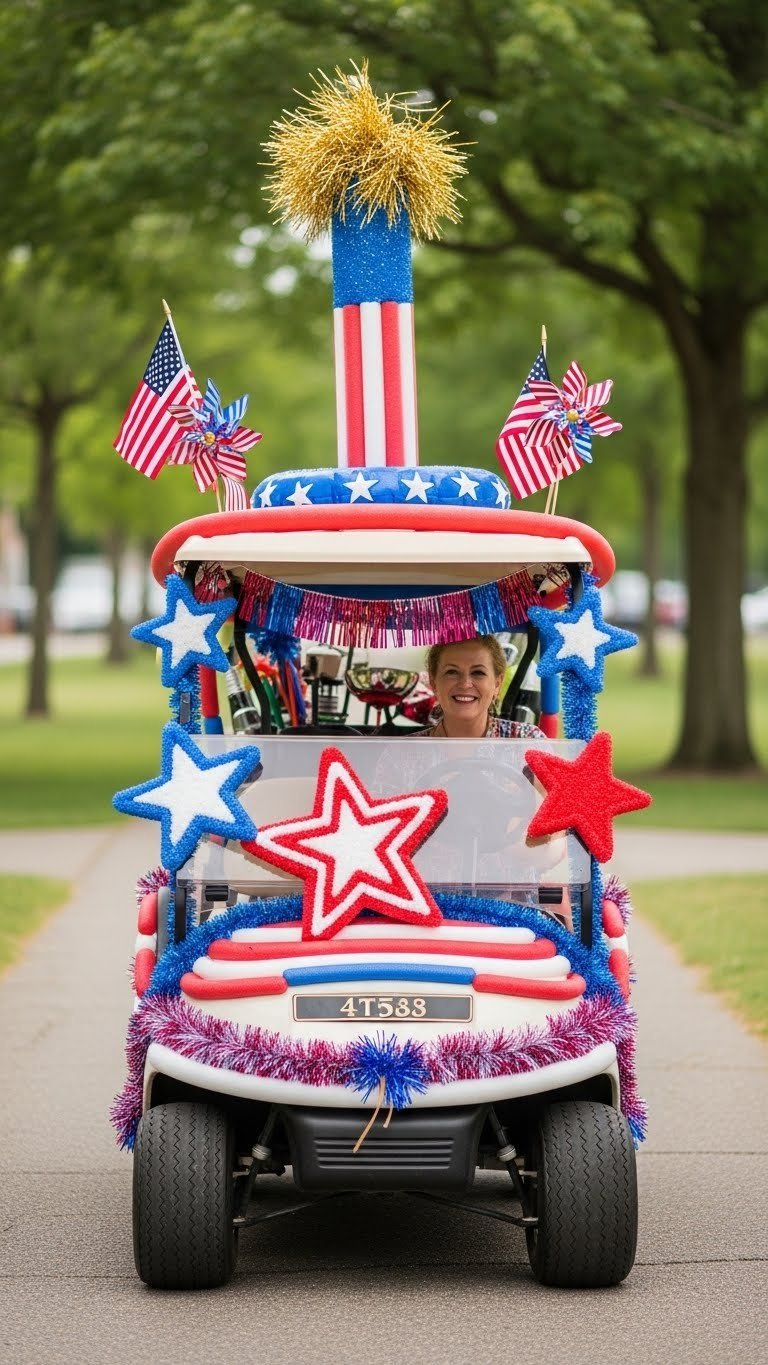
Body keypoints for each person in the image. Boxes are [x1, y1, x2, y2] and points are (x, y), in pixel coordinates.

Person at [415, 635, 544, 740]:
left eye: (478, 673)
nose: (465, 684)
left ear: (497, 684)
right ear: (434, 682)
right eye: (452, 672)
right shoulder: (407, 751)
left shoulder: (527, 739)